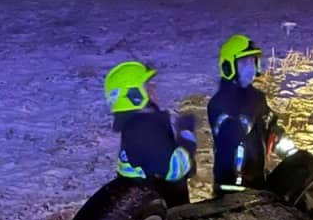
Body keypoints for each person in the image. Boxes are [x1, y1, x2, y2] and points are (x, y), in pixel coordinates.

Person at [103, 60, 197, 207]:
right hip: (163, 212)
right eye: (147, 85)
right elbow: (175, 170)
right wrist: (186, 136)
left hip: (145, 207)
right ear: (134, 95)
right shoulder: (144, 130)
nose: (153, 87)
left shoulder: (134, 124)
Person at [207, 34, 280, 195]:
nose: (250, 67)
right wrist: (249, 110)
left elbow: (268, 125)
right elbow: (232, 134)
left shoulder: (257, 97)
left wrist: (276, 134)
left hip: (257, 184)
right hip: (230, 189)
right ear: (228, 67)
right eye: (244, 62)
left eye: (252, 61)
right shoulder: (218, 103)